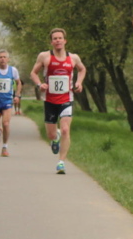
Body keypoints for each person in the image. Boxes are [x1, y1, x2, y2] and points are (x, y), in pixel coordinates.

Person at [29, 28, 86, 175]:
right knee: (51, 135)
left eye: (60, 38)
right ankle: (56, 138)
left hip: (67, 99)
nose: (58, 40)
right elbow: (33, 73)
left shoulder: (73, 58)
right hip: (50, 100)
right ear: (51, 42)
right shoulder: (44, 57)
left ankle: (61, 162)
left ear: (65, 41)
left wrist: (79, 82)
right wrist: (39, 85)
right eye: (55, 38)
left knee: (66, 129)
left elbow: (82, 69)